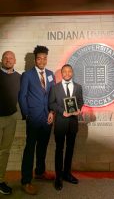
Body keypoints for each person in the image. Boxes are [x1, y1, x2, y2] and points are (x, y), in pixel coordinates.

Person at [18, 45, 55, 195]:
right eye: (39, 58)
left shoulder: (51, 74)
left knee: (42, 147)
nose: (42, 60)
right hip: (33, 118)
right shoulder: (27, 75)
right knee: (30, 148)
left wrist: (52, 111)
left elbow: (52, 95)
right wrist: (27, 114)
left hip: (47, 118)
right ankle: (26, 180)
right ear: (35, 59)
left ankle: (40, 171)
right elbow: (22, 96)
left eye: (45, 58)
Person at [49, 64, 84, 191]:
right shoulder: (55, 88)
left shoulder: (78, 87)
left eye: (70, 71)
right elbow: (51, 103)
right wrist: (61, 111)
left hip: (73, 123)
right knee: (59, 149)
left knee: (70, 149)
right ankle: (58, 177)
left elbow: (80, 101)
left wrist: (79, 109)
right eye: (65, 71)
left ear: (72, 73)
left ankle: (67, 174)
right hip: (60, 123)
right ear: (61, 74)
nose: (67, 73)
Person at [0, 51, 21, 195]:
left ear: (15, 60)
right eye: (5, 58)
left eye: (10, 58)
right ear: (1, 60)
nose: (8, 60)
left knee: (4, 151)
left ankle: (0, 180)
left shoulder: (19, 77)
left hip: (11, 118)